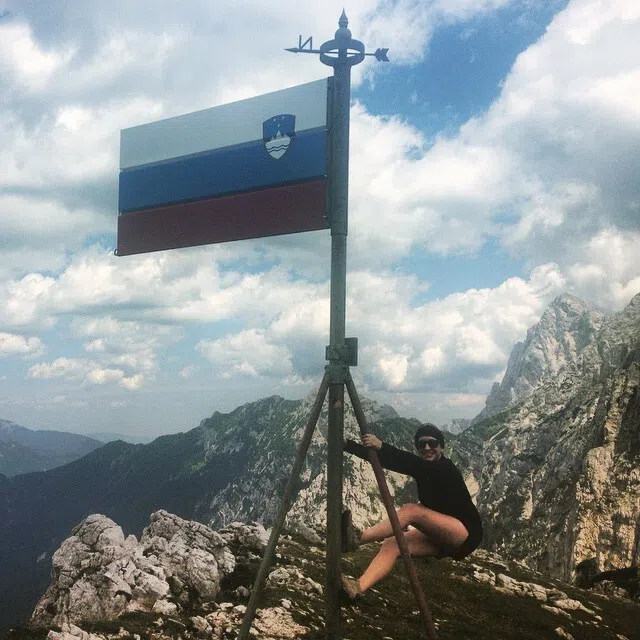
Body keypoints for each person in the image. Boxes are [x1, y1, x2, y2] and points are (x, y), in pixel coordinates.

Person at [340, 423, 483, 600]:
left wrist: (382, 446)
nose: (427, 448)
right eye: (422, 444)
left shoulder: (447, 469)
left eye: (433, 443)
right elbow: (390, 462)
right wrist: (349, 446)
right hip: (443, 535)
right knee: (392, 545)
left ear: (442, 447)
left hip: (465, 534)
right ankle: (357, 588)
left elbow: (406, 461)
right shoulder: (423, 468)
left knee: (411, 510)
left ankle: (356, 539)